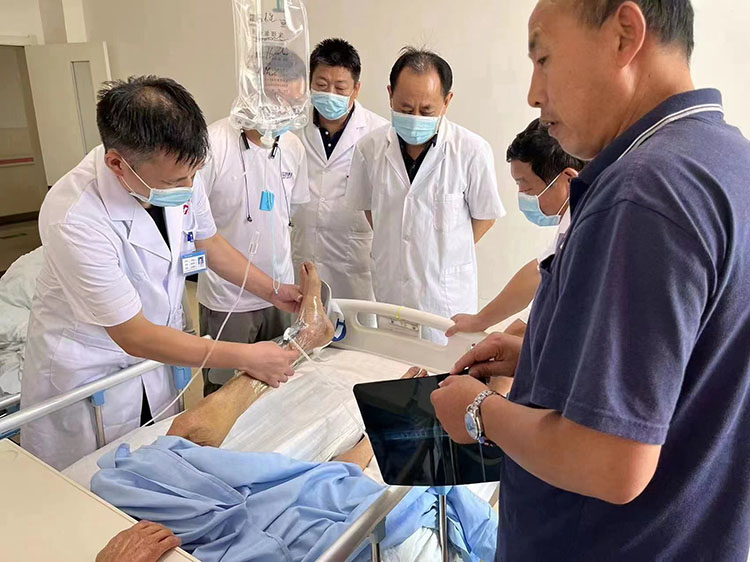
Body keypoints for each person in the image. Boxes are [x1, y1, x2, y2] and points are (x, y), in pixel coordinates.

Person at [432, 1, 750, 560]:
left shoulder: (645, 192)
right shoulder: (726, 160)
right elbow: (683, 365)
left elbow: (612, 461)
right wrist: (541, 353)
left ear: (624, 35)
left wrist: (480, 412)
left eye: (544, 59)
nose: (533, 93)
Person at [21, 76, 301, 470]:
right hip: (92, 375)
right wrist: (245, 355)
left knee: (153, 466)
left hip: (153, 362)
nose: (189, 186)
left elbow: (208, 241)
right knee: (88, 486)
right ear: (117, 164)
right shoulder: (74, 216)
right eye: (176, 181)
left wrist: (273, 290)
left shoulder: (176, 167)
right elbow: (132, 334)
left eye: (194, 174)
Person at [347, 48, 506, 342]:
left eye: (426, 110)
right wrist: (401, 244)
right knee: (391, 363)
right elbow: (370, 209)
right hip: (391, 293)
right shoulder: (369, 149)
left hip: (445, 301)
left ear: (446, 102)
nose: (415, 118)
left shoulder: (471, 150)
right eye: (406, 109)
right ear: (390, 95)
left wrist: (441, 251)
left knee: (445, 366)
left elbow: (485, 216)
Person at [199, 47, 310, 395]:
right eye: (278, 101)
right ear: (252, 92)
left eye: (294, 104)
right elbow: (195, 228)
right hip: (227, 299)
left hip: (281, 293)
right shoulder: (212, 145)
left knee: (276, 388)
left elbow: (288, 215)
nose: (285, 112)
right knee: (223, 392)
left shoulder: (292, 146)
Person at [447, 119, 584, 337]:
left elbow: (546, 292)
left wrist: (501, 336)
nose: (523, 197)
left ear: (567, 180)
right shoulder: (572, 219)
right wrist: (481, 321)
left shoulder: (590, 226)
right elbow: (538, 271)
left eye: (527, 189)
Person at [292, 38, 389, 301]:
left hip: (355, 264)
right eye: (322, 85)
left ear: (356, 89)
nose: (330, 94)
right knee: (303, 322)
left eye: (340, 87)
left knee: (354, 324)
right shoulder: (293, 129)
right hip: (303, 255)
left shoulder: (380, 135)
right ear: (309, 83)